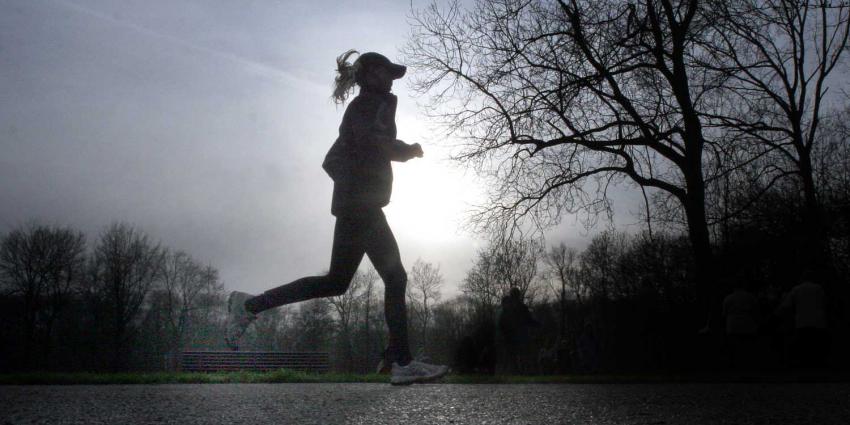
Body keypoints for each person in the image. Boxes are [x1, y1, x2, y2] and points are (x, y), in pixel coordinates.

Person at [224, 50, 449, 385]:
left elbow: (333, 158)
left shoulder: (365, 107)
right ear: (372, 73)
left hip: (357, 204)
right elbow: (372, 142)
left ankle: (251, 305)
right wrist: (406, 151)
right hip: (362, 205)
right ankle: (401, 361)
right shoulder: (368, 105)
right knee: (395, 277)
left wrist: (353, 182)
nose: (390, 79)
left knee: (335, 283)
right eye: (386, 72)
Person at [777, 277, 829, 368]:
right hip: (818, 321)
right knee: (815, 346)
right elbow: (825, 302)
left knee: (804, 346)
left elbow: (786, 305)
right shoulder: (819, 288)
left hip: (802, 322)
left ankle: (804, 366)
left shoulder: (797, 289)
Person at [722, 281, 759, 368]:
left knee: (734, 347)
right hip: (748, 324)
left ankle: (734, 365)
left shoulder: (728, 298)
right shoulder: (750, 297)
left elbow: (724, 313)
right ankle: (747, 364)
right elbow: (756, 311)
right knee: (746, 347)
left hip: (732, 325)